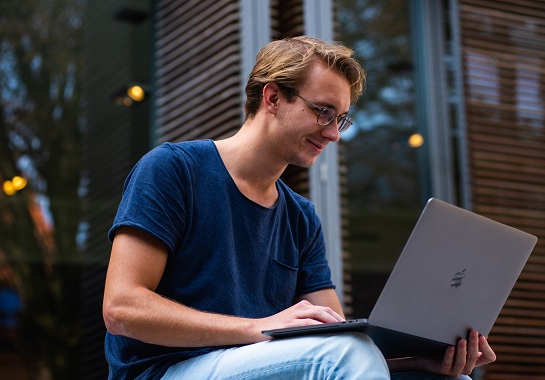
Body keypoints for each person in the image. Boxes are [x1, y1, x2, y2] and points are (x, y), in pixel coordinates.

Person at [102, 36, 496, 380]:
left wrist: (419, 362)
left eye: (341, 119)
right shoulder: (174, 169)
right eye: (323, 111)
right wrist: (259, 328)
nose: (334, 133)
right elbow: (121, 308)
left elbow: (334, 340)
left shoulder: (300, 216)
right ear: (272, 97)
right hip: (165, 372)